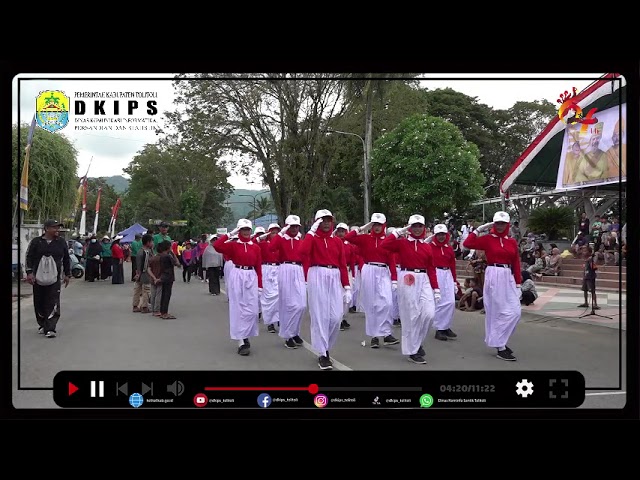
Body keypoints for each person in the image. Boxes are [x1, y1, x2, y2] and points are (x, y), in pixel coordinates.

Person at [381, 214, 440, 365]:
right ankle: (412, 350)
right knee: (411, 315)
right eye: (414, 226)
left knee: (429, 314)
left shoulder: (427, 246)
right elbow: (384, 245)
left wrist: (436, 289)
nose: (418, 229)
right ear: (409, 227)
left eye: (420, 226)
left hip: (424, 278)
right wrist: (398, 232)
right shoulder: (402, 243)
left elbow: (431, 269)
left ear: (424, 227)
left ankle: (417, 342)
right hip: (407, 277)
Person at [463, 211, 522, 361]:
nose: (500, 226)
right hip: (493, 274)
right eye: (497, 223)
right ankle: (500, 346)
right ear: (494, 224)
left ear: (507, 224)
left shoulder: (512, 242)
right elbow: (467, 243)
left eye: (503, 223)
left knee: (515, 311)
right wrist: (479, 229)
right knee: (496, 311)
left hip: (507, 275)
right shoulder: (488, 239)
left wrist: (518, 283)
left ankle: (499, 340)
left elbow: (516, 262)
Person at [298, 210, 351, 369]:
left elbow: (342, 264)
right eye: (323, 220)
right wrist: (311, 232)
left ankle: (326, 346)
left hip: (334, 276)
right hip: (317, 274)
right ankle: (322, 353)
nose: (326, 223)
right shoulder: (313, 239)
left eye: (329, 220)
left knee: (336, 317)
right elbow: (302, 253)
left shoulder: (337, 241)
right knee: (320, 316)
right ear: (317, 222)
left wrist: (346, 286)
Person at [345, 213, 399, 349]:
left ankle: (386, 333)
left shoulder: (387, 241)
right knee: (371, 304)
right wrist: (363, 227)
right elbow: (347, 237)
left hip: (383, 271)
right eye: (374, 224)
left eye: (380, 224)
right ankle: (374, 336)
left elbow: (392, 261)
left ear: (384, 226)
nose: (377, 227)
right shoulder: (365, 238)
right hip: (369, 269)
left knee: (387, 303)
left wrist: (394, 279)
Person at [214, 219, 263, 356]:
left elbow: (259, 266)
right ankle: (242, 340)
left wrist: (260, 285)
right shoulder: (233, 245)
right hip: (237, 274)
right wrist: (230, 234)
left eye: (248, 229)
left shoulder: (256, 247)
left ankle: (246, 333)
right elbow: (217, 245)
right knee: (238, 307)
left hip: (251, 275)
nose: (246, 232)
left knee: (252, 310)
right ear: (239, 231)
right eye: (243, 229)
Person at [24, 219, 72, 338]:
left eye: (58, 228)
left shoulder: (61, 242)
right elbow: (29, 257)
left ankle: (50, 328)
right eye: (54, 227)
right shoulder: (36, 242)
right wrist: (29, 273)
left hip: (54, 277)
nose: (57, 230)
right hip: (38, 276)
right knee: (39, 300)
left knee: (53, 300)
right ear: (46, 229)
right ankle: (42, 324)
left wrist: (67, 274)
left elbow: (66, 258)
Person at [269, 215, 307, 349]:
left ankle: (295, 331)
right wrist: (281, 232)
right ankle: (288, 335)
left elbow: (306, 256)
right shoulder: (281, 238)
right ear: (287, 226)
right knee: (287, 304)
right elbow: (271, 248)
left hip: (299, 270)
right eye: (292, 226)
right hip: (285, 269)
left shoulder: (300, 239)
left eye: (296, 226)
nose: (294, 229)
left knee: (301, 305)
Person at [428, 224, 459, 341]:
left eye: (443, 234)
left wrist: (455, 281)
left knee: (450, 302)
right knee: (439, 302)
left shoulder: (449, 248)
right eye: (439, 235)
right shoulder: (430, 247)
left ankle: (446, 326)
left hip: (447, 274)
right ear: (435, 235)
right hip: (436, 273)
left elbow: (452, 265)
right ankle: (439, 329)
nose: (441, 237)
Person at [256, 224, 281, 333]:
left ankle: (280, 318)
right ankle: (270, 322)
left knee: (280, 296)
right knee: (268, 297)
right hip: (266, 269)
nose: (275, 235)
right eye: (273, 232)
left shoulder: (281, 244)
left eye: (277, 232)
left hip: (279, 269)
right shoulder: (263, 244)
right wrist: (260, 237)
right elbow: (253, 243)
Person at [334, 222, 355, 331]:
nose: (341, 233)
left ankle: (344, 317)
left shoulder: (349, 245)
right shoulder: (334, 243)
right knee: (339, 295)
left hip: (347, 271)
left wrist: (353, 274)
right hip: (337, 271)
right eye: (339, 231)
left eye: (343, 231)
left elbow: (352, 260)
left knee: (348, 296)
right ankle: (339, 318)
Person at [132, 234, 154, 313]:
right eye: (152, 242)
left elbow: (137, 264)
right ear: (148, 242)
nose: (152, 244)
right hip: (145, 273)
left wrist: (137, 273)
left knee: (137, 290)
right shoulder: (146, 252)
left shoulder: (139, 251)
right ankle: (144, 306)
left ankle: (135, 305)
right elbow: (145, 265)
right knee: (146, 290)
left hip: (139, 273)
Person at [157, 240, 177, 319]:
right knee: (167, 295)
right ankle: (165, 312)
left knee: (164, 294)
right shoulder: (168, 256)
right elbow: (177, 263)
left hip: (164, 275)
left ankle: (162, 312)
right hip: (169, 276)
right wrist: (173, 253)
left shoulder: (162, 256)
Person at [578, 245, 600, 309]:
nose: (583, 252)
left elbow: (594, 267)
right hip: (585, 276)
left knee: (592, 291)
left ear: (589, 252)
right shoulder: (585, 259)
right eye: (583, 251)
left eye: (585, 251)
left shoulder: (590, 259)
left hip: (590, 277)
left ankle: (595, 304)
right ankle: (586, 302)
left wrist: (591, 264)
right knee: (585, 290)